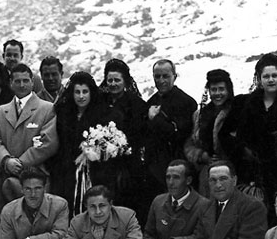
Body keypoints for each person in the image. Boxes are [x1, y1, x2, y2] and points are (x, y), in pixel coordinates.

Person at [219, 54, 277, 216]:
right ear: (258, 79)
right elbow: (224, 134)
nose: (270, 80)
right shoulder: (244, 103)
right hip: (248, 171)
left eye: (275, 75)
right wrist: (241, 150)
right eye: (266, 76)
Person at [48, 72, 121, 213]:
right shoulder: (64, 113)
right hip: (66, 169)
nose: (81, 96)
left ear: (91, 92)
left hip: (95, 172)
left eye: (85, 92)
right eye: (77, 92)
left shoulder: (104, 114)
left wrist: (91, 152)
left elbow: (109, 143)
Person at [0, 63, 58, 210]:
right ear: (10, 83)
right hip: (6, 176)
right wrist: (6, 160)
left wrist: (19, 163)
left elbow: (48, 143)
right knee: (8, 222)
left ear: (33, 82)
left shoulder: (47, 108)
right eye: (17, 81)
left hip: (36, 177)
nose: (22, 85)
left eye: (26, 81)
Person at [99, 58, 148, 221]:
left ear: (125, 81)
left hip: (128, 166)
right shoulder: (100, 102)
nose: (113, 84)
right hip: (103, 163)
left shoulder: (137, 105)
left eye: (117, 80)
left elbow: (139, 135)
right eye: (110, 80)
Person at [145, 60, 197, 207]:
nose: (161, 81)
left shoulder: (187, 102)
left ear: (174, 76)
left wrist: (155, 119)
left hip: (177, 162)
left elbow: (179, 134)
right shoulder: (151, 102)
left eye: (165, 76)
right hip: (154, 166)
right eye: (157, 76)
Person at [185, 69, 234, 197]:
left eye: (221, 89)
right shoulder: (199, 115)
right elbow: (190, 144)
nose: (218, 93)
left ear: (228, 90)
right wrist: (201, 156)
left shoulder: (236, 112)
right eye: (214, 89)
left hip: (231, 171)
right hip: (207, 173)